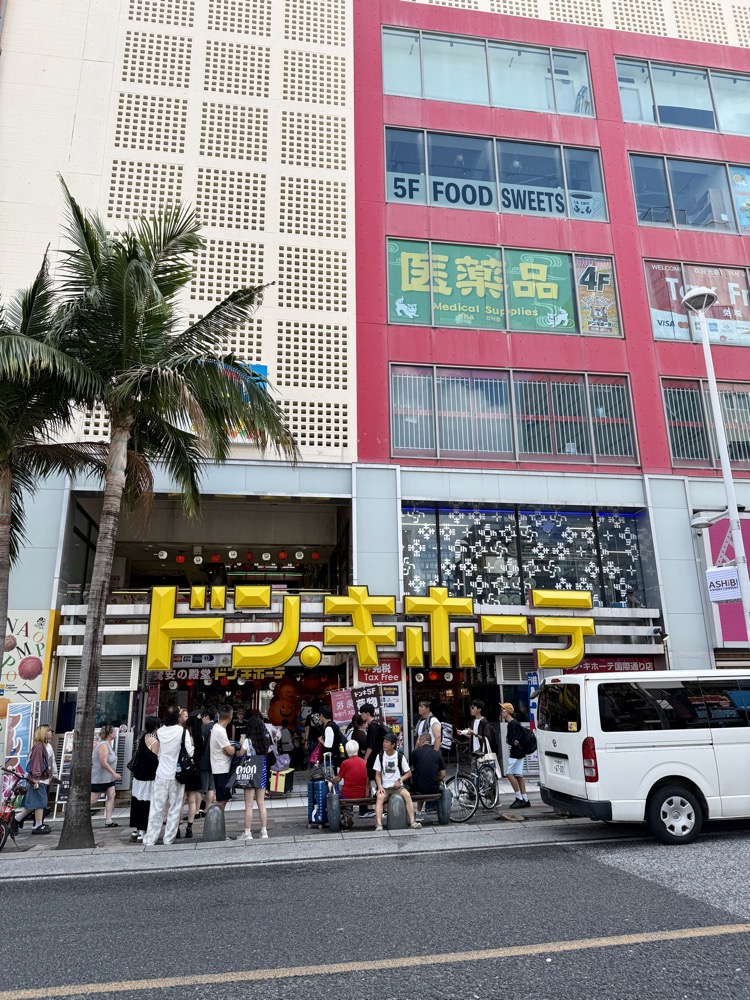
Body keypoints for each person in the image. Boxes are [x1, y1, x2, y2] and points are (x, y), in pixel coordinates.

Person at [142, 706, 195, 846]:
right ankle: (168, 838)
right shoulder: (183, 732)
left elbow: (158, 753)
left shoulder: (160, 731)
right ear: (178, 717)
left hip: (161, 773)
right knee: (175, 807)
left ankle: (150, 838)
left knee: (157, 807)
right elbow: (190, 752)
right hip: (177, 774)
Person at [374, 732, 421, 832]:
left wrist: (400, 780)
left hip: (398, 787)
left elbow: (408, 773)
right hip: (385, 787)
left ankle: (412, 822)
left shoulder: (399, 756)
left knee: (407, 795)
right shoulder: (380, 756)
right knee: (380, 797)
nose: (384, 744)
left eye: (387, 742)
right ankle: (379, 824)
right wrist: (379, 786)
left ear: (393, 745)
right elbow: (377, 774)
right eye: (384, 741)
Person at [15, 725, 55, 835]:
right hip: (38, 779)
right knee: (40, 802)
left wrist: (49, 775)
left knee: (36, 803)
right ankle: (37, 825)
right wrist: (37, 778)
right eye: (49, 731)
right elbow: (37, 763)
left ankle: (18, 819)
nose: (51, 733)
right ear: (43, 733)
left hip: (39, 778)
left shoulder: (41, 746)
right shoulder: (39, 747)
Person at [210, 704, 247, 813]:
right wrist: (236, 746)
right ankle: (217, 820)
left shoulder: (217, 727)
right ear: (230, 716)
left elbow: (228, 750)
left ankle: (218, 819)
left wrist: (229, 748)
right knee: (222, 798)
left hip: (219, 767)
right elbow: (230, 751)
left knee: (224, 797)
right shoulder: (220, 731)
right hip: (222, 768)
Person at [129, 716, 160, 843]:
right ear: (156, 727)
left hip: (138, 776)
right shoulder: (155, 742)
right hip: (149, 777)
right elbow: (155, 761)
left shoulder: (144, 737)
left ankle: (136, 830)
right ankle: (143, 831)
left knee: (138, 802)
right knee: (147, 804)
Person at [242, 714, 271, 840]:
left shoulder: (247, 742)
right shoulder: (265, 741)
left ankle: (247, 833)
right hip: (261, 772)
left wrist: (241, 744)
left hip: (250, 772)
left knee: (249, 805)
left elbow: (240, 754)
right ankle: (264, 831)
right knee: (261, 803)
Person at [330, 739, 368, 830]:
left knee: (337, 795)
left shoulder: (345, 763)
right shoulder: (363, 762)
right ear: (357, 749)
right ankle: (348, 814)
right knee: (347, 792)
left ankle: (347, 814)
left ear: (347, 751)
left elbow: (338, 779)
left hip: (348, 794)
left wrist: (331, 780)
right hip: (362, 793)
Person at [90, 723, 121, 828]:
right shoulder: (103, 745)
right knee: (94, 798)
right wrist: (114, 773)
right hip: (100, 777)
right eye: (114, 732)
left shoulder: (109, 745)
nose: (115, 733)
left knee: (111, 795)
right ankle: (79, 814)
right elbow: (103, 762)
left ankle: (109, 820)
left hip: (109, 778)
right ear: (109, 734)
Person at [410, 732, 446, 819]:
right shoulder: (437, 754)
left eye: (418, 741)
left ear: (422, 740)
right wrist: (435, 777)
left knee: (420, 779)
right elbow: (443, 774)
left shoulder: (415, 753)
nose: (418, 742)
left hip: (418, 789)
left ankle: (418, 813)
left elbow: (410, 770)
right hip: (434, 789)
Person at [501, 702, 530, 809]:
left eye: (502, 711)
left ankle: (519, 798)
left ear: (508, 712)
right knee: (518, 775)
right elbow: (513, 740)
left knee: (509, 774)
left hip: (515, 753)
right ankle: (525, 799)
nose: (501, 713)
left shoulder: (512, 724)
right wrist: (512, 741)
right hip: (520, 752)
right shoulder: (515, 723)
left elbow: (511, 740)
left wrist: (511, 740)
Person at [183, 709, 205, 839]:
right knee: (192, 801)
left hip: (185, 770)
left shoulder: (187, 737)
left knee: (181, 801)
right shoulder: (200, 738)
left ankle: (177, 827)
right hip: (195, 770)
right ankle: (189, 828)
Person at [361, 702, 385, 818]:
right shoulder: (376, 725)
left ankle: (373, 808)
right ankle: (378, 808)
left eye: (362, 713)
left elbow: (370, 746)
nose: (361, 715)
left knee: (374, 782)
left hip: (374, 759)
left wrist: (365, 759)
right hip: (378, 758)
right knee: (377, 782)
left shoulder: (372, 727)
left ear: (367, 714)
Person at [318, 705, 347, 770]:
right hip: (339, 755)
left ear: (322, 715)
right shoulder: (333, 724)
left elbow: (328, 745)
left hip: (333, 757)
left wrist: (321, 740)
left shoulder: (329, 727)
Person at [199, 706, 216, 815]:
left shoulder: (204, 728)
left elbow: (200, 744)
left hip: (204, 761)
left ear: (206, 717)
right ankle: (208, 808)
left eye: (202, 717)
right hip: (215, 762)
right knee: (211, 787)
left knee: (202, 788)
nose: (202, 720)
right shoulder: (218, 727)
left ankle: (198, 809)